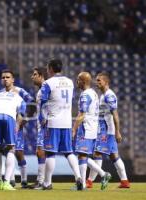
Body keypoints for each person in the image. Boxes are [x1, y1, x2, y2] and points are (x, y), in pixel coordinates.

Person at [40, 59, 82, 190]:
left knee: (50, 153)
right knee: (69, 152)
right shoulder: (70, 82)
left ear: (51, 68)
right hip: (67, 122)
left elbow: (43, 103)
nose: (47, 70)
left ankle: (47, 183)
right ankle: (78, 177)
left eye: (47, 68)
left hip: (53, 121)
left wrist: (43, 117)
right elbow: (71, 98)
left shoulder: (48, 83)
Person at [86, 72, 130, 189]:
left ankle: (89, 181)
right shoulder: (102, 95)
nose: (97, 82)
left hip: (107, 131)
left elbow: (115, 114)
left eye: (99, 80)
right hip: (105, 130)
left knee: (97, 154)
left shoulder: (109, 96)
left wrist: (117, 131)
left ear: (106, 82)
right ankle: (125, 181)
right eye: (96, 80)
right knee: (114, 156)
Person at [73, 72, 111, 190]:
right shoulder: (94, 93)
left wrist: (74, 129)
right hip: (94, 128)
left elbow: (82, 114)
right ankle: (102, 174)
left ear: (83, 81)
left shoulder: (85, 95)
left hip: (86, 128)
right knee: (82, 155)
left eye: (78, 80)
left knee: (82, 155)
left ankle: (83, 184)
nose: (76, 82)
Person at [0, 69, 26, 191]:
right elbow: (21, 114)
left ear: (12, 80)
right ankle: (6, 182)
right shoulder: (18, 96)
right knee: (11, 148)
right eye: (3, 77)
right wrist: (17, 126)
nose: (5, 79)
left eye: (7, 77)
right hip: (7, 116)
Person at [28, 67, 47, 189]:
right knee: (39, 152)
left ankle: (42, 181)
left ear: (41, 76)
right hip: (42, 125)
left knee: (41, 152)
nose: (32, 77)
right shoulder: (41, 90)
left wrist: (45, 118)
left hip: (46, 125)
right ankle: (41, 180)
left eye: (35, 74)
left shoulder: (45, 89)